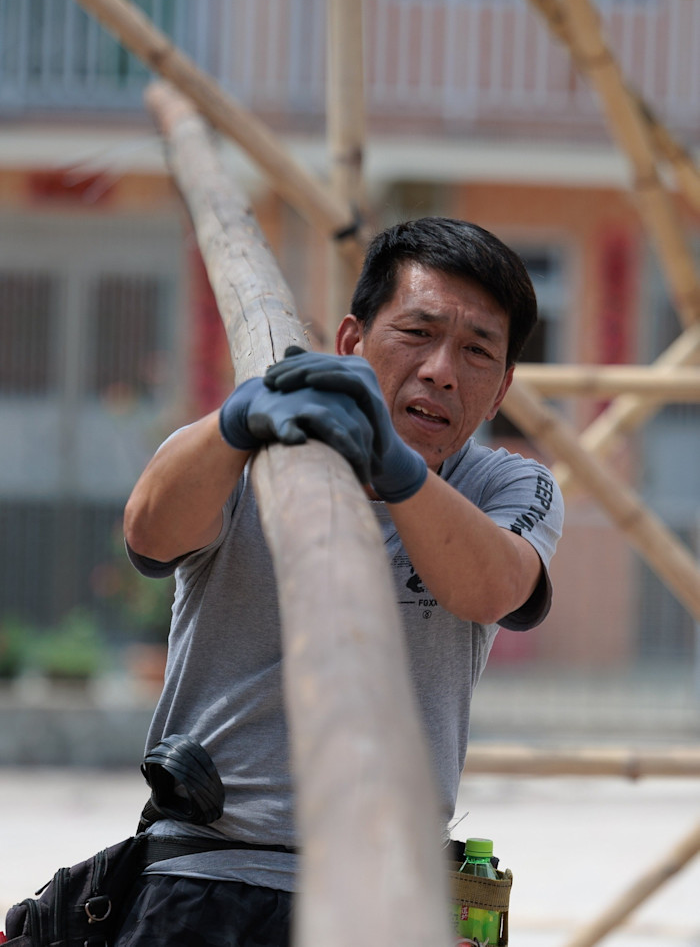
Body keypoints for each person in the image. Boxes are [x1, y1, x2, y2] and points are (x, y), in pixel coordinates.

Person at [118, 216, 564, 947]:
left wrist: (394, 467)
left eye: (477, 351)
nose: (442, 370)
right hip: (206, 878)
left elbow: (492, 588)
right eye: (417, 333)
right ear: (353, 343)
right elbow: (148, 531)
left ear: (501, 389)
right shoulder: (244, 443)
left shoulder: (505, 485)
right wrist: (235, 423)